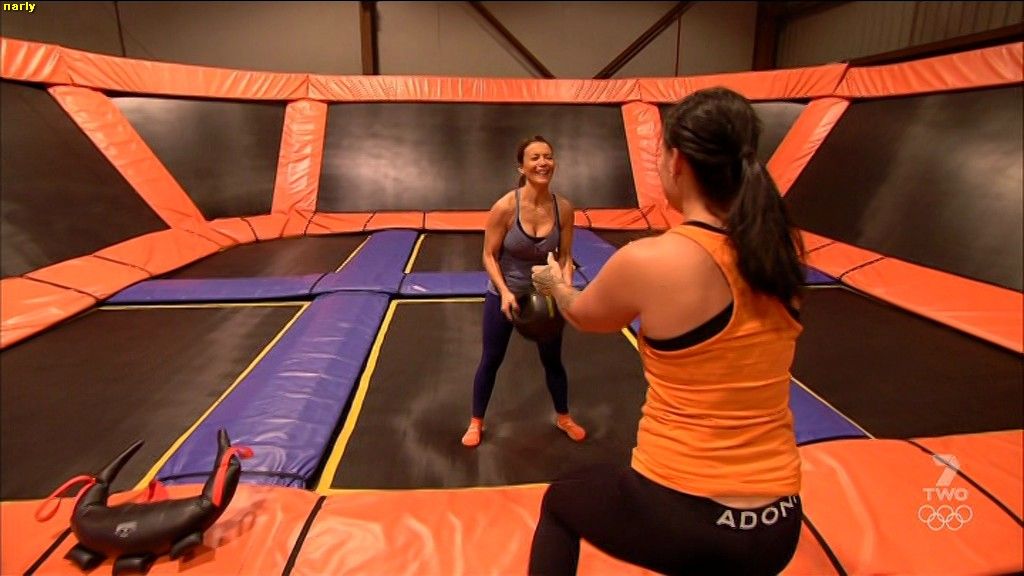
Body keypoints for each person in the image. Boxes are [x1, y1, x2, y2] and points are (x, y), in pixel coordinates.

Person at [527, 87, 806, 575]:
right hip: (780, 523)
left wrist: (555, 284)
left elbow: (584, 315)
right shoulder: (781, 251)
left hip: (688, 514)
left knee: (561, 503)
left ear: (677, 162)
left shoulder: (655, 259)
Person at [461, 135, 587, 448]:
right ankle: (476, 422)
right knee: (491, 358)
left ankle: (564, 417)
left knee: (553, 359)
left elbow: (565, 256)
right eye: (535, 157)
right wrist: (504, 292)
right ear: (522, 167)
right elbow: (489, 255)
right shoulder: (505, 207)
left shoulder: (564, 208)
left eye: (548, 156)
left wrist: (564, 290)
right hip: (506, 291)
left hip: (544, 289)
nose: (543, 163)